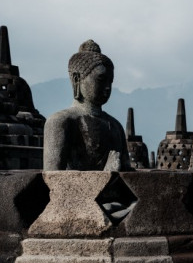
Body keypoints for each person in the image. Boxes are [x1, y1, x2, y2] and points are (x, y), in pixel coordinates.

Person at [43, 40, 131, 171]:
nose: (107, 87)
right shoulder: (60, 122)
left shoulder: (116, 126)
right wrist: (106, 175)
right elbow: (53, 181)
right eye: (101, 80)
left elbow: (127, 172)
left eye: (110, 81)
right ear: (77, 79)